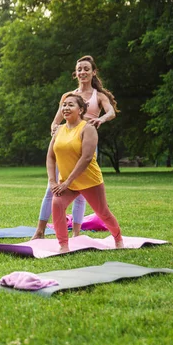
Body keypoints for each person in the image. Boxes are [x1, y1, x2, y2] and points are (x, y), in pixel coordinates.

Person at [32, 55, 119, 239]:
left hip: (85, 147)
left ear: (93, 72)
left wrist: (101, 118)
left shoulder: (98, 96)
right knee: (52, 188)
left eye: (86, 69)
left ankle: (77, 234)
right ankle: (39, 231)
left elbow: (111, 112)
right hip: (66, 147)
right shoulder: (69, 97)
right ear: (75, 73)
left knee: (81, 193)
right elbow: (55, 122)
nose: (83, 72)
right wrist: (56, 132)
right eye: (79, 69)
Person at [47, 94, 123, 253]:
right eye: (64, 105)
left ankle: (118, 238)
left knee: (103, 213)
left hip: (89, 181)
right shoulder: (59, 130)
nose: (66, 108)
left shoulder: (88, 128)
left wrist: (67, 182)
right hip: (67, 182)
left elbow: (87, 157)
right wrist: (53, 181)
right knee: (57, 204)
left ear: (81, 109)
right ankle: (63, 246)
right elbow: (50, 156)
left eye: (70, 105)